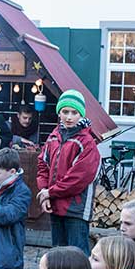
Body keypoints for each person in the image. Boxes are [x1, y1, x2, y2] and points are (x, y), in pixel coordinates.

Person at [36, 89, 99, 255]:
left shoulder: (86, 143)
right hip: (55, 206)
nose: (69, 117)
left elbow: (77, 180)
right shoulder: (53, 137)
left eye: (74, 112)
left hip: (76, 210)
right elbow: (43, 164)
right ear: (59, 113)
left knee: (77, 258)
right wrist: (43, 191)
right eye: (65, 112)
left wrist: (50, 192)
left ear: (81, 114)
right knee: (58, 257)